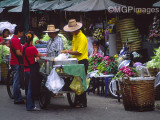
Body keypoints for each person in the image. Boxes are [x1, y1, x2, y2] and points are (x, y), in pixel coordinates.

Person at [61, 19, 88, 108]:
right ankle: (77, 101)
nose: (71, 32)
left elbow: (79, 52)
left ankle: (82, 102)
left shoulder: (82, 37)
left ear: (76, 29)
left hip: (82, 61)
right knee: (76, 81)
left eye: (72, 30)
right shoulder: (75, 36)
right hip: (76, 61)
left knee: (80, 82)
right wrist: (67, 51)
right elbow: (73, 49)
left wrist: (68, 52)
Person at [23, 32, 41, 111]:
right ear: (32, 40)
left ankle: (30, 105)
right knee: (31, 89)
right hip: (31, 70)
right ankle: (30, 106)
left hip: (25, 70)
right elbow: (39, 55)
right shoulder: (32, 48)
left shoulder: (23, 47)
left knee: (28, 88)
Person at [9, 25, 25, 104]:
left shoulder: (13, 39)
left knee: (17, 80)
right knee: (16, 81)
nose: (22, 34)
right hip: (16, 62)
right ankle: (18, 99)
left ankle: (18, 97)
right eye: (22, 32)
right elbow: (18, 53)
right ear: (19, 32)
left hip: (14, 61)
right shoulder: (16, 40)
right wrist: (25, 55)